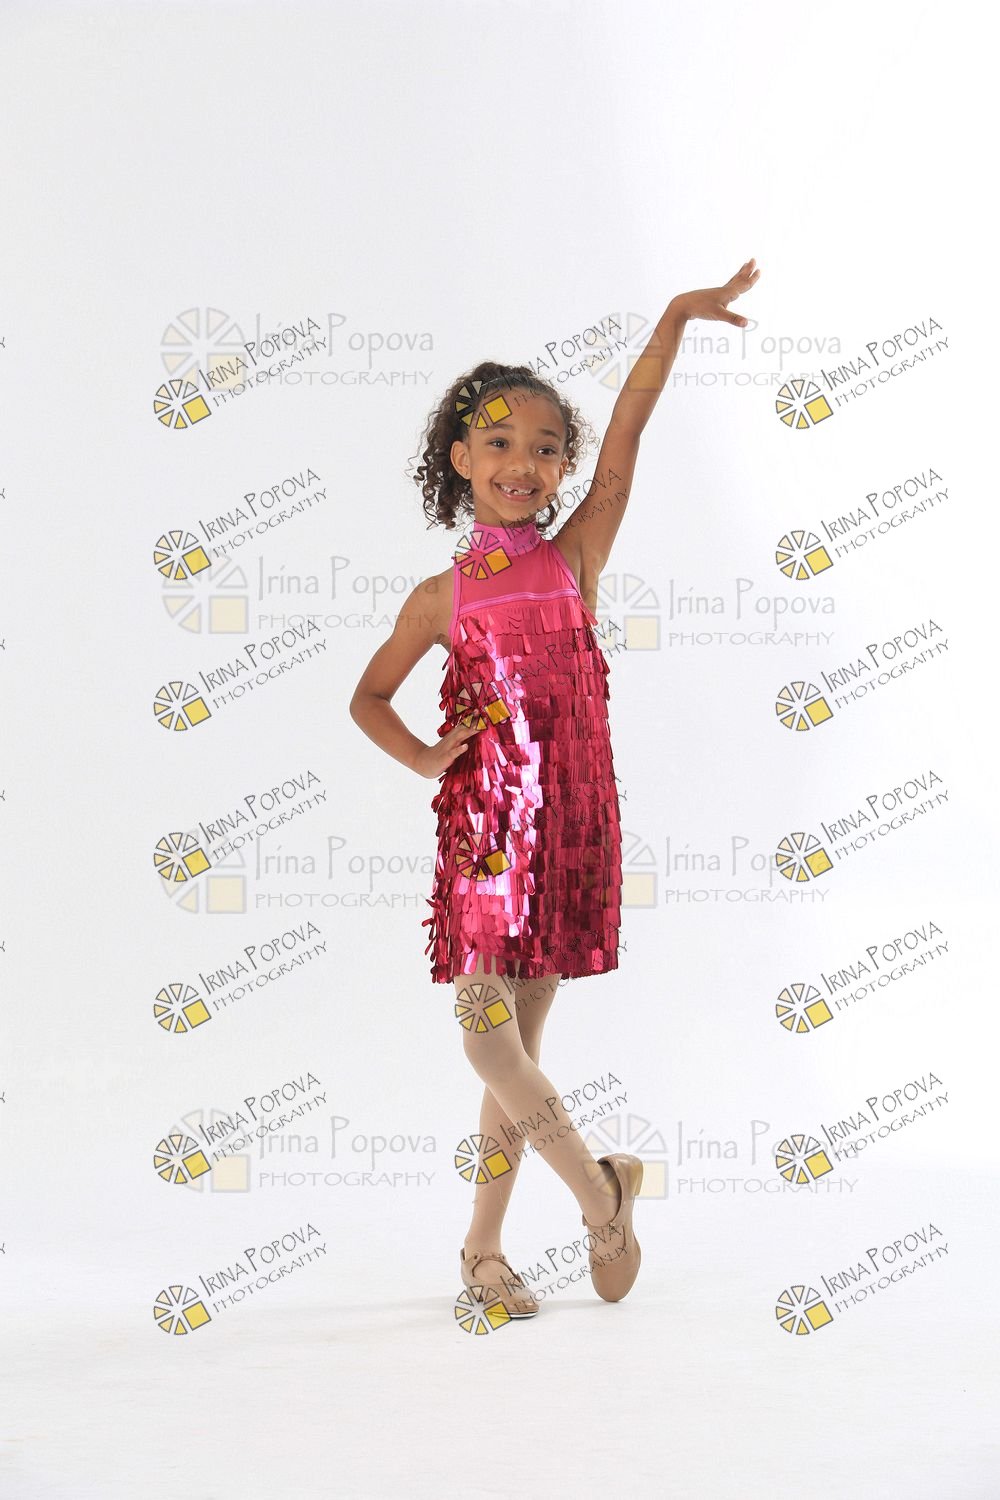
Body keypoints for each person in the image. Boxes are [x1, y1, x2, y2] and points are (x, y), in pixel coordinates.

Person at [350, 260, 761, 1319]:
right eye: (498, 442)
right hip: (482, 839)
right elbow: (369, 699)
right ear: (459, 459)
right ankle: (600, 1195)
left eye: (544, 446)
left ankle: (482, 1251)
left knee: (515, 1060)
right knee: (486, 1038)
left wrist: (673, 320)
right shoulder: (440, 597)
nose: (522, 462)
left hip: (568, 834)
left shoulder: (576, 554)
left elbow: (631, 433)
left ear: (564, 466)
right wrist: (426, 757)